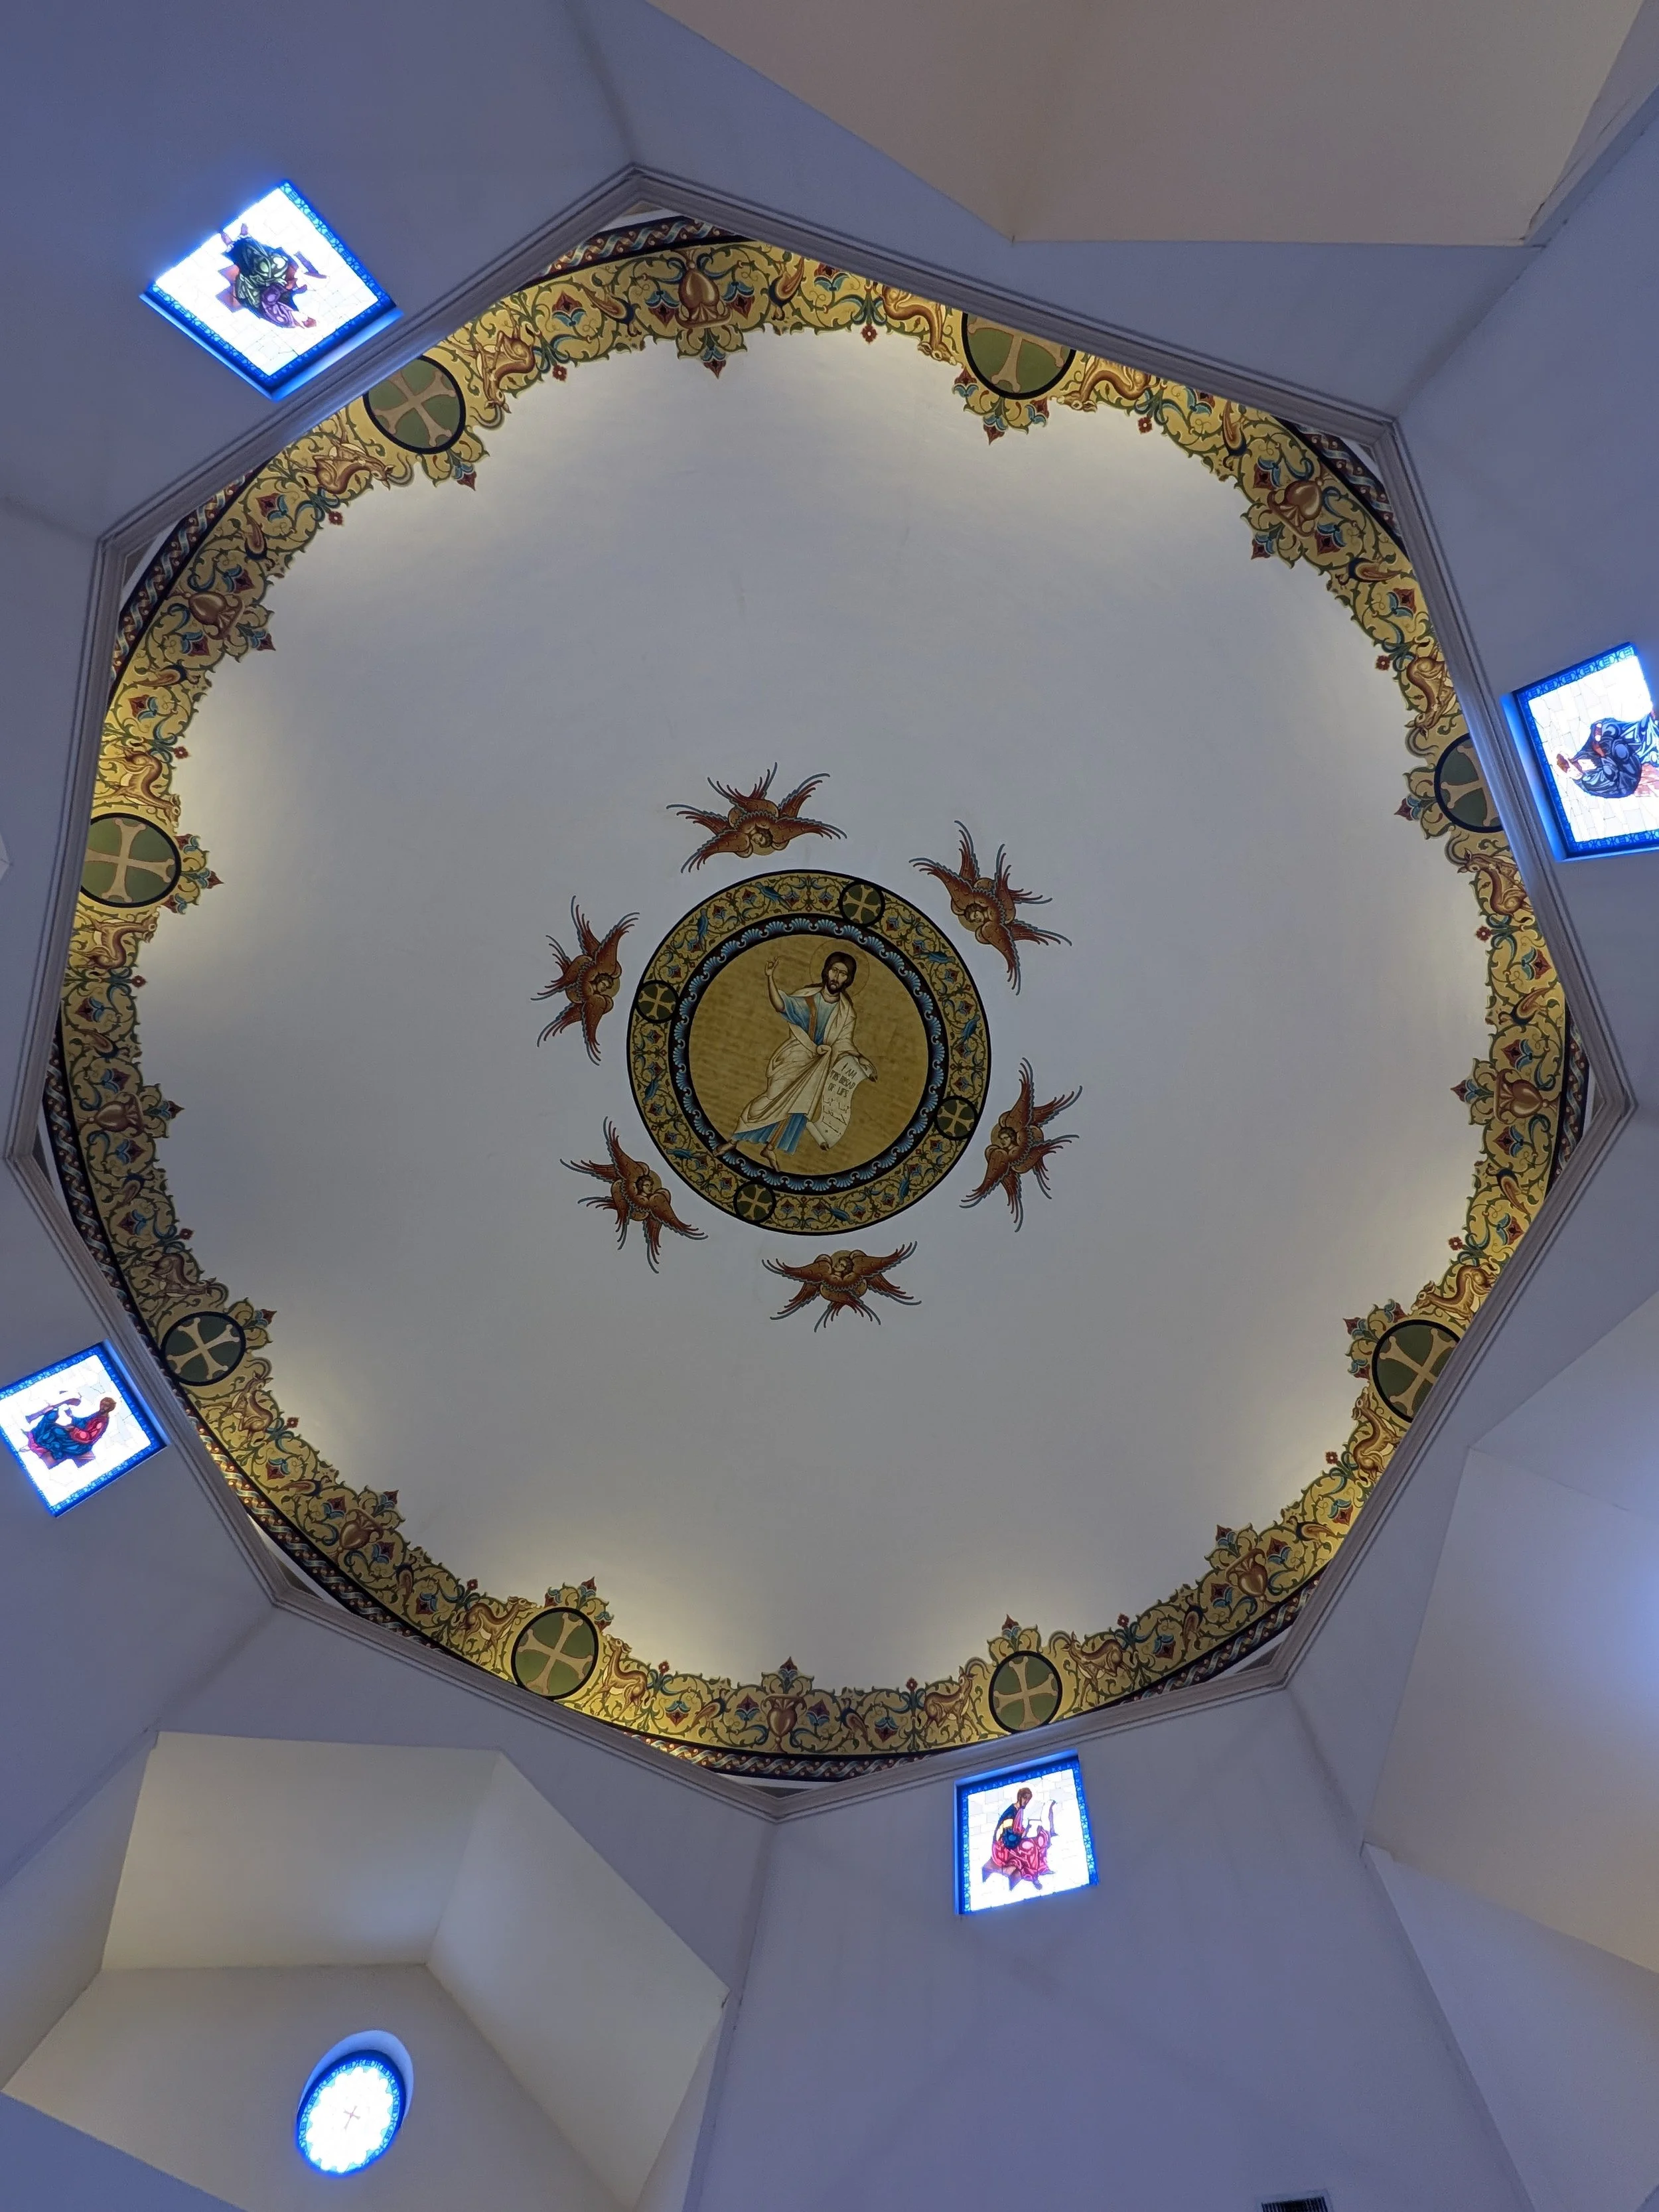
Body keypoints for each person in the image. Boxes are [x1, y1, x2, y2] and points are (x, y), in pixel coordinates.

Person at [725, 951, 875, 1169]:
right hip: (795, 1056)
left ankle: (770, 1147)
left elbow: (844, 1043)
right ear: (826, 971)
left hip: (818, 1067)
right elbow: (781, 1006)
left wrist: (861, 1059)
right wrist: (770, 978)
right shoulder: (808, 997)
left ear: (848, 979)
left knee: (797, 1107)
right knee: (772, 1097)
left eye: (843, 974)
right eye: (834, 970)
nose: (836, 977)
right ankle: (734, 1140)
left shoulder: (846, 1012)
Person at [1555, 711, 1659, 800]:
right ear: (1568, 773)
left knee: (1607, 728)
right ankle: (1651, 747)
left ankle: (1645, 726)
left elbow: (1590, 745)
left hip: (1610, 758)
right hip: (1625, 778)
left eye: (1571, 761)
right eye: (1571, 767)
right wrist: (1601, 753)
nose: (1576, 764)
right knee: (1619, 748)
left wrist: (1595, 731)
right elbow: (1611, 774)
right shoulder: (1589, 783)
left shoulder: (1578, 758)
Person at [981, 1786, 1056, 1893]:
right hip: (1002, 1849)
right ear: (1019, 1797)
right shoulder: (1010, 1814)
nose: (1026, 1801)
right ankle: (1033, 1877)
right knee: (1030, 1847)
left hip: (1013, 1841)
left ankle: (1042, 1868)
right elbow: (1009, 1837)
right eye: (1025, 1798)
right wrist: (1023, 1834)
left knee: (1040, 1840)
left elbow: (1017, 1829)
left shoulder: (1019, 1810)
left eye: (1028, 1799)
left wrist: (1026, 1830)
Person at [24, 1394, 116, 1471]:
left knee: (54, 1431)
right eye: (102, 1404)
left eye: (106, 1406)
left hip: (80, 1445)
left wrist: (73, 1430)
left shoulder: (101, 1422)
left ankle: (56, 1451)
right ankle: (38, 1438)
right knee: (53, 1426)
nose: (103, 1407)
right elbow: (83, 1422)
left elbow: (89, 1438)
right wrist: (71, 1416)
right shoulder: (97, 1415)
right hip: (75, 1437)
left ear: (110, 1408)